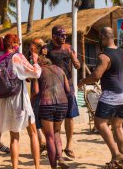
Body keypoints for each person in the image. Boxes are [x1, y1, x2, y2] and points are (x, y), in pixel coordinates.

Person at [78, 27, 123, 169]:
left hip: (112, 94)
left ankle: (116, 155)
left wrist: (82, 81)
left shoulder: (104, 56)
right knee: (118, 126)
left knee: (99, 122)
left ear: (102, 36)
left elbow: (96, 76)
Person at [0, 34, 41, 169]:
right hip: (19, 100)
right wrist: (35, 61)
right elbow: (36, 73)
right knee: (32, 132)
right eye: (19, 43)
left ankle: (15, 167)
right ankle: (37, 167)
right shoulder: (17, 57)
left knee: (14, 137)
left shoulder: (0, 59)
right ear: (14, 44)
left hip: (5, 101)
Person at [46, 25, 81, 159]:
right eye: (61, 35)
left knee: (69, 116)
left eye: (65, 35)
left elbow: (75, 60)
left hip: (68, 86)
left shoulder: (68, 48)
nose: (64, 37)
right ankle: (56, 145)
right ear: (54, 36)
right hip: (52, 87)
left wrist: (77, 64)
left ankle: (69, 145)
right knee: (55, 117)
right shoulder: (47, 49)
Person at [37, 55, 70, 168]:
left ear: (40, 63)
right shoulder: (60, 70)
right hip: (62, 103)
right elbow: (68, 89)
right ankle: (60, 157)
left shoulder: (39, 71)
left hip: (46, 104)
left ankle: (53, 166)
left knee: (49, 137)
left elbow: (35, 91)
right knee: (57, 132)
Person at [29, 38, 47, 153]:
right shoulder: (46, 60)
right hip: (46, 93)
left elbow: (33, 80)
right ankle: (45, 142)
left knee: (34, 120)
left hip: (38, 94)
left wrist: (30, 98)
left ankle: (41, 142)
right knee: (43, 121)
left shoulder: (34, 60)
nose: (30, 47)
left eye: (32, 44)